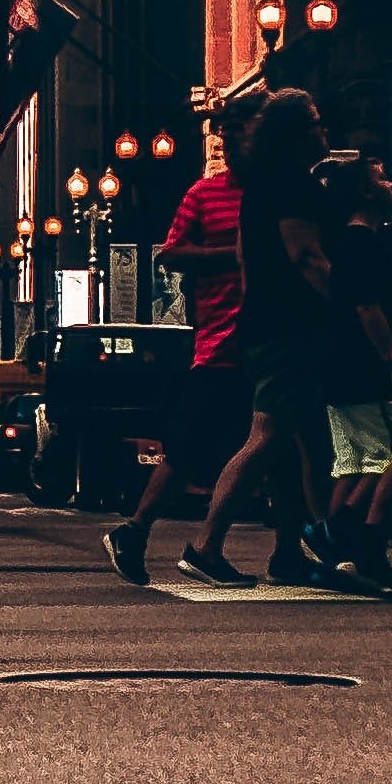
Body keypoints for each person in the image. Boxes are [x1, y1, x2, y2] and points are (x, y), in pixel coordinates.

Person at [180, 94, 344, 587]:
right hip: (288, 329)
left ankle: (313, 549)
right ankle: (206, 546)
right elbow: (306, 258)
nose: (324, 130)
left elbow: (248, 266)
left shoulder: (261, 189)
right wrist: (351, 305)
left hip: (268, 327)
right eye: (316, 122)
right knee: (268, 435)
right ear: (297, 134)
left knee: (311, 445)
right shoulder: (293, 187)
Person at [103, 89, 255, 584]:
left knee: (279, 444)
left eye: (240, 135)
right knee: (194, 449)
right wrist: (232, 256)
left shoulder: (280, 191)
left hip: (269, 340)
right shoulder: (204, 194)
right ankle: (138, 529)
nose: (231, 146)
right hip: (222, 343)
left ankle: (289, 548)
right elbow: (170, 253)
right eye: (225, 138)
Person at [311, 139, 392, 597]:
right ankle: (341, 536)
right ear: (364, 193)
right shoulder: (361, 243)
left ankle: (336, 557)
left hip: (340, 369)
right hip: (359, 369)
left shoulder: (351, 242)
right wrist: (391, 355)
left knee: (353, 462)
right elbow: (367, 308)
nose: (391, 183)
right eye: (380, 177)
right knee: (383, 456)